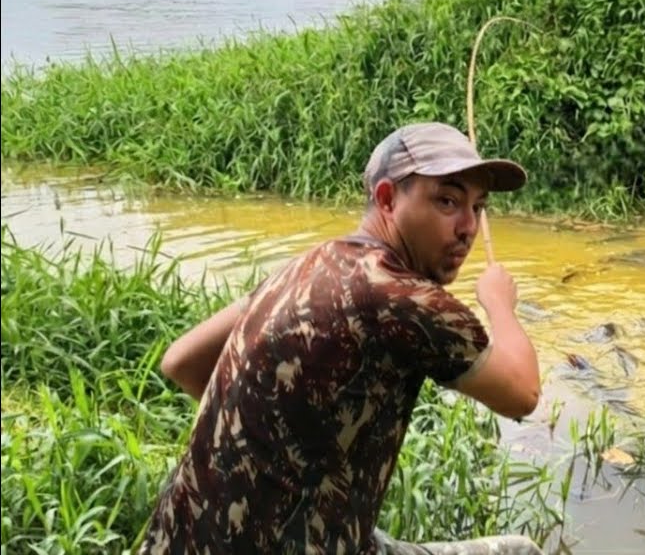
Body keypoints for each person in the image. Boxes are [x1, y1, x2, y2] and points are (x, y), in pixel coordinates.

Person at [139, 122, 544, 555]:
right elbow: (522, 393)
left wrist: (277, 445)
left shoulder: (303, 265)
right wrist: (498, 303)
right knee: (521, 551)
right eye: (447, 201)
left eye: (477, 207)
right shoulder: (405, 299)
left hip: (175, 541)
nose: (467, 227)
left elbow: (181, 361)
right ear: (388, 199)